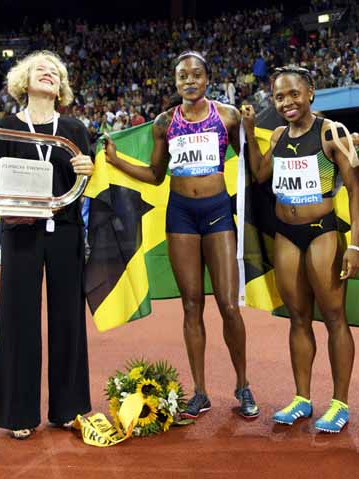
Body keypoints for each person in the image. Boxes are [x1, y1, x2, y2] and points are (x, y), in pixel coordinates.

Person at [103, 51, 259, 420]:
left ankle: (242, 385)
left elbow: (252, 165)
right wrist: (115, 160)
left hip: (218, 212)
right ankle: (201, 392)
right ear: (175, 83)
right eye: (182, 76)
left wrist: (250, 133)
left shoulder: (228, 116)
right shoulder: (163, 122)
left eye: (196, 75)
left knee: (228, 305)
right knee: (191, 305)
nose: (189, 81)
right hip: (181, 216)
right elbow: (156, 175)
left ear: (208, 79)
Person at [241, 67, 359, 433]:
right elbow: (261, 175)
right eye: (279, 97)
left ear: (310, 92)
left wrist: (355, 243)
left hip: (322, 232)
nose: (287, 102)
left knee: (333, 317)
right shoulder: (278, 135)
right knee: (297, 317)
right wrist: (249, 134)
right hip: (286, 233)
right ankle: (302, 397)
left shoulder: (331, 132)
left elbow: (355, 191)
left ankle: (340, 403)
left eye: (294, 94)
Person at [0, 50, 95, 440]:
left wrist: (88, 168)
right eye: (40, 69)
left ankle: (69, 408)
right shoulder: (4, 127)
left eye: (55, 71)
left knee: (69, 317)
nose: (48, 73)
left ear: (61, 85)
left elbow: (90, 180)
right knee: (18, 317)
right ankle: (18, 412)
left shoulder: (76, 129)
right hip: (21, 232)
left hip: (66, 230)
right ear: (23, 80)